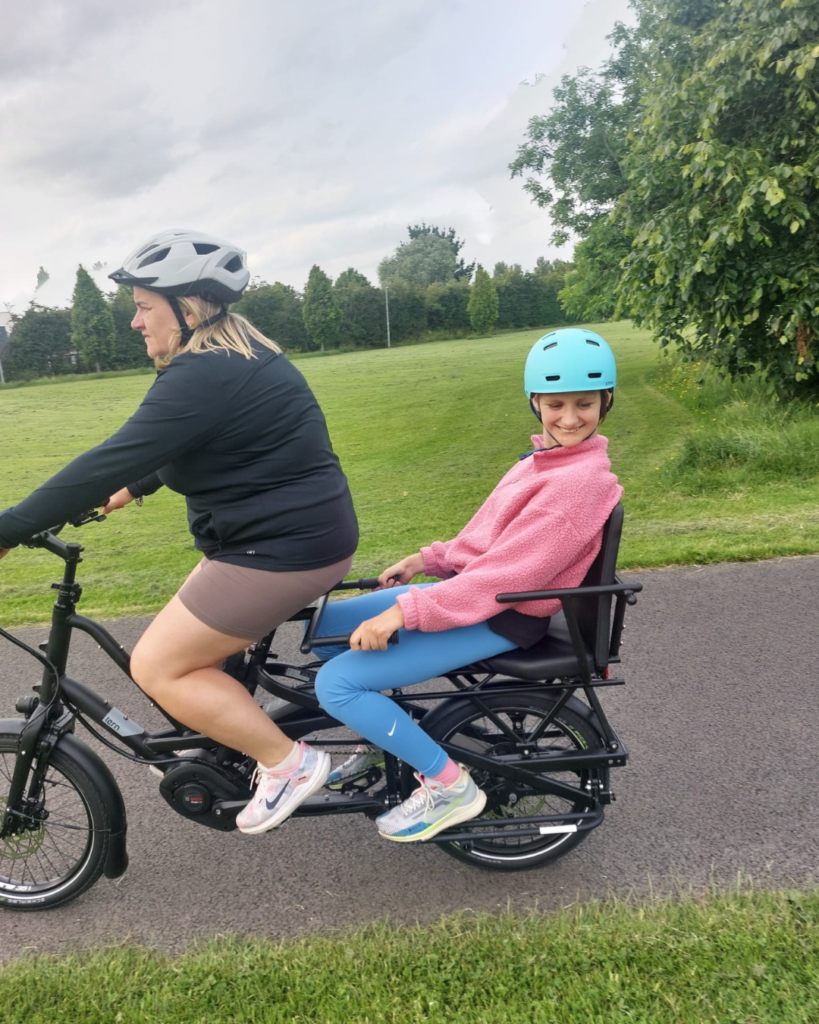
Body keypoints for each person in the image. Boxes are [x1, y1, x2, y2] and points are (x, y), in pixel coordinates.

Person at [0, 229, 358, 835]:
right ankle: (231, 743)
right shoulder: (231, 361)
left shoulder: (205, 374)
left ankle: (289, 764)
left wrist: (8, 529)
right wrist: (137, 487)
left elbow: (107, 458)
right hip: (282, 538)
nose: (136, 323)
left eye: (143, 307)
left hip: (281, 549)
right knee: (177, 647)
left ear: (187, 310)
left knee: (159, 666)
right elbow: (198, 443)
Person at [313, 328, 623, 843]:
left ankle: (449, 786)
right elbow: (487, 539)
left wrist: (405, 612)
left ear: (606, 402)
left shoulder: (579, 483)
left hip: (504, 615)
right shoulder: (542, 460)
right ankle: (391, 738)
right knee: (326, 626)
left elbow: (507, 577)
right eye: (556, 404)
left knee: (337, 684)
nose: (569, 418)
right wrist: (426, 560)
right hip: (480, 596)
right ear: (535, 404)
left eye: (584, 404)